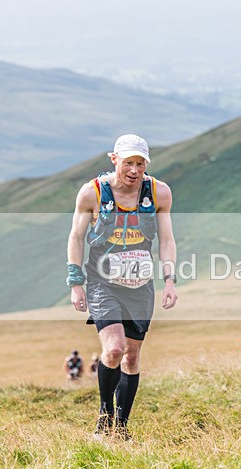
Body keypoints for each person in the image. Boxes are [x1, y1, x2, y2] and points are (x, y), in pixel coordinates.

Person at [67, 134, 178, 440]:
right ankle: (104, 416)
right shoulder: (91, 193)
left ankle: (122, 426)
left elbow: (166, 238)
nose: (134, 169)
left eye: (140, 163)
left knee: (131, 357)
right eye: (128, 162)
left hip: (141, 284)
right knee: (114, 349)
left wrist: (169, 280)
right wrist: (76, 282)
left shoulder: (159, 192)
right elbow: (76, 236)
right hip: (103, 281)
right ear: (113, 160)